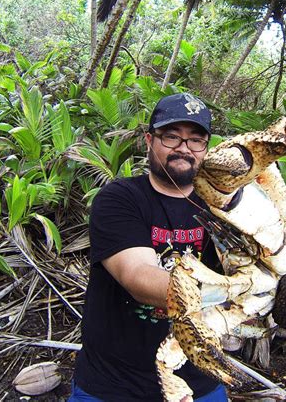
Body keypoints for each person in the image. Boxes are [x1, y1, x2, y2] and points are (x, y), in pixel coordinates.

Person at [70, 93, 227, 401]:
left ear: (206, 149)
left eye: (196, 140)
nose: (184, 148)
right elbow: (139, 278)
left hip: (199, 379)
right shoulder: (120, 197)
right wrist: (236, 291)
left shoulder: (223, 207)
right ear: (149, 140)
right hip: (112, 384)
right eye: (171, 137)